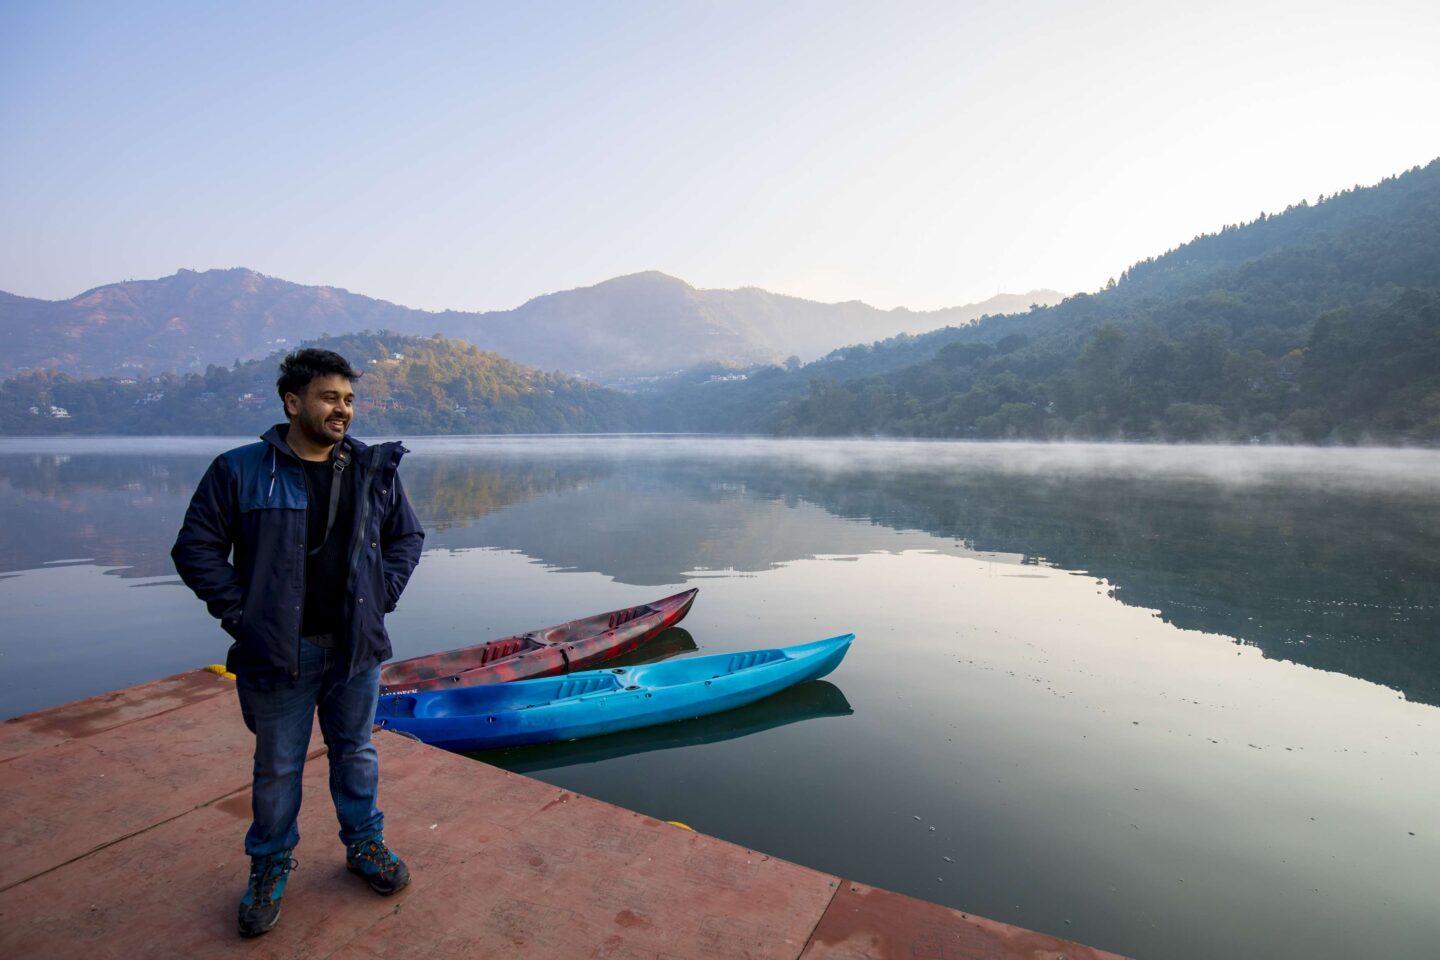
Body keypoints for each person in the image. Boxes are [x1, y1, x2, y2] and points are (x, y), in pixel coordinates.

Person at [172, 347, 425, 937]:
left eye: (349, 399)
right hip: (279, 654)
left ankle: (365, 846)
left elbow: (405, 537)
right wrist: (246, 616)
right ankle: (269, 867)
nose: (343, 410)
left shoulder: (371, 468)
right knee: (278, 767)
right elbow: (196, 549)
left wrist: (381, 593)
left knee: (356, 752)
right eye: (329, 397)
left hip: (354, 648)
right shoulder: (238, 470)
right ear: (293, 402)